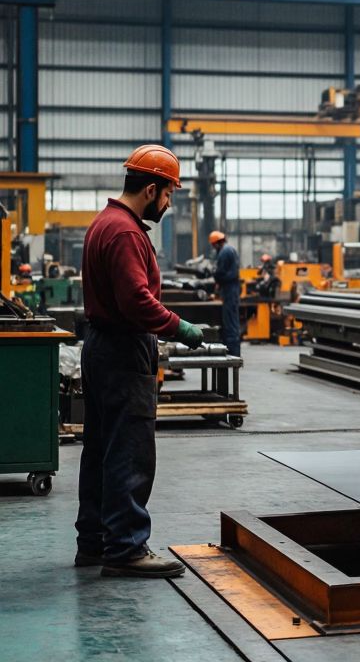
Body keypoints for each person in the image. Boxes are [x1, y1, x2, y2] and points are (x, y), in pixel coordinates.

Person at [76, 144, 205, 579]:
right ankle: (127, 547)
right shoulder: (127, 233)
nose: (169, 203)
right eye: (169, 194)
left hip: (100, 346)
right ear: (152, 189)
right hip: (122, 348)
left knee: (100, 448)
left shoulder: (104, 223)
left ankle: (93, 541)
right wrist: (179, 327)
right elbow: (136, 300)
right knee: (129, 450)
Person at [209, 230, 241, 356]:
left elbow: (220, 273)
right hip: (231, 290)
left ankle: (233, 354)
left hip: (229, 291)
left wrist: (214, 274)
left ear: (216, 243)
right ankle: (234, 352)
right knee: (232, 322)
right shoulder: (229, 250)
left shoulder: (224, 252)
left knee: (230, 323)